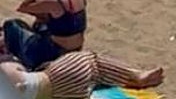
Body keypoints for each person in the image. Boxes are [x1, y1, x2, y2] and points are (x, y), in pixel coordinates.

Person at [3, 0, 86, 71]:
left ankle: (26, 63)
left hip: (55, 52)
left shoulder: (55, 2)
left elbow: (23, 7)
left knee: (12, 25)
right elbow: (69, 21)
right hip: (76, 49)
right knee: (40, 24)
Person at [1, 49, 163, 99]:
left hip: (63, 94)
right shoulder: (7, 69)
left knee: (94, 73)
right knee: (91, 61)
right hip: (59, 78)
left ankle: (134, 78)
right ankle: (136, 77)